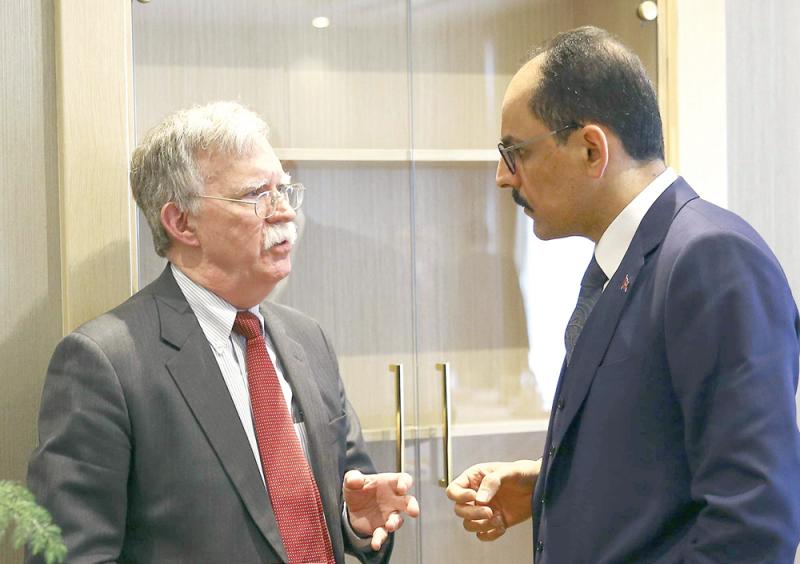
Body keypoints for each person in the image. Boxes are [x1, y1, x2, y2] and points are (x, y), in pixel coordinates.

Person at [446, 26, 800, 563]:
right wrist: (552, 485)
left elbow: (753, 526)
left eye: (514, 151)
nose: (502, 177)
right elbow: (664, 449)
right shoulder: (628, 260)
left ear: (592, 148)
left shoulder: (710, 259)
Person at [27, 101, 419, 564]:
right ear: (181, 222)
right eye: (257, 195)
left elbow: (348, 501)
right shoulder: (104, 362)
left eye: (285, 191)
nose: (284, 213)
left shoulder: (307, 339)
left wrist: (358, 524)